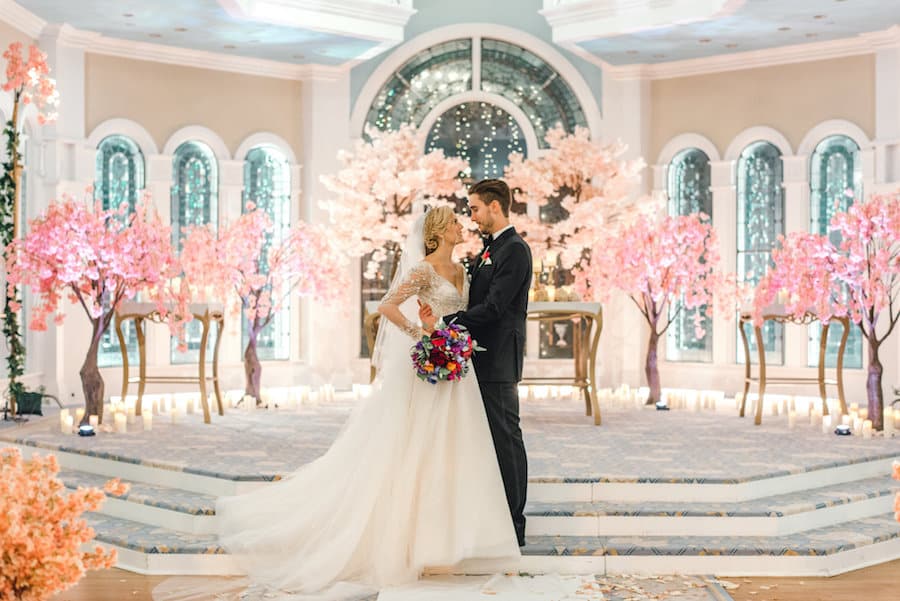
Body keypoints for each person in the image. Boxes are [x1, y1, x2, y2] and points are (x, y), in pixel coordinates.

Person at [214, 205, 520, 598]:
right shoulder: (423, 269)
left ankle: (450, 542)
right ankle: (412, 543)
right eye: (456, 223)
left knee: (456, 451)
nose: (462, 226)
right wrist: (421, 333)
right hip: (429, 365)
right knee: (417, 451)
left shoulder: (462, 270)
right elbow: (387, 306)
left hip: (458, 370)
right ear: (442, 230)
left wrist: (445, 335)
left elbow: (459, 314)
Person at [420, 179, 532, 547]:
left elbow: (497, 306)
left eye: (475, 209)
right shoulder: (490, 249)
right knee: (486, 441)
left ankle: (515, 525)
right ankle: (493, 520)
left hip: (499, 359)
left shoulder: (514, 250)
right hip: (477, 358)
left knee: (506, 439)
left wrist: (451, 324)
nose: (472, 216)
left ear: (495, 207)